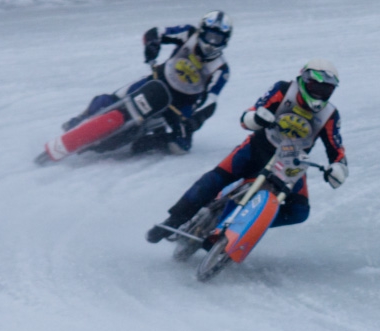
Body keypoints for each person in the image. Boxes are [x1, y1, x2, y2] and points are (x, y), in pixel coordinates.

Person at [145, 59, 348, 244]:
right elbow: (250, 114)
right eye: (315, 87)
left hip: (290, 164)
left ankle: (246, 227)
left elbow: (336, 149)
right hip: (257, 148)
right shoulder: (283, 90)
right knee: (215, 179)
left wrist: (338, 168)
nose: (319, 94)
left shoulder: (329, 114)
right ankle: (174, 220)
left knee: (299, 212)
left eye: (326, 90)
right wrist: (256, 119)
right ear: (303, 81)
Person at [63, 11, 233, 154]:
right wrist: (152, 46)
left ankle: (152, 141)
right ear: (201, 31)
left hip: (182, 104)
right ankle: (81, 119)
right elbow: (156, 32)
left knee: (181, 146)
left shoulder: (220, 69)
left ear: (224, 41)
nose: (211, 43)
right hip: (157, 80)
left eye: (217, 39)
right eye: (209, 36)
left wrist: (194, 120)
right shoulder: (189, 34)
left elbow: (211, 100)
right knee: (111, 99)